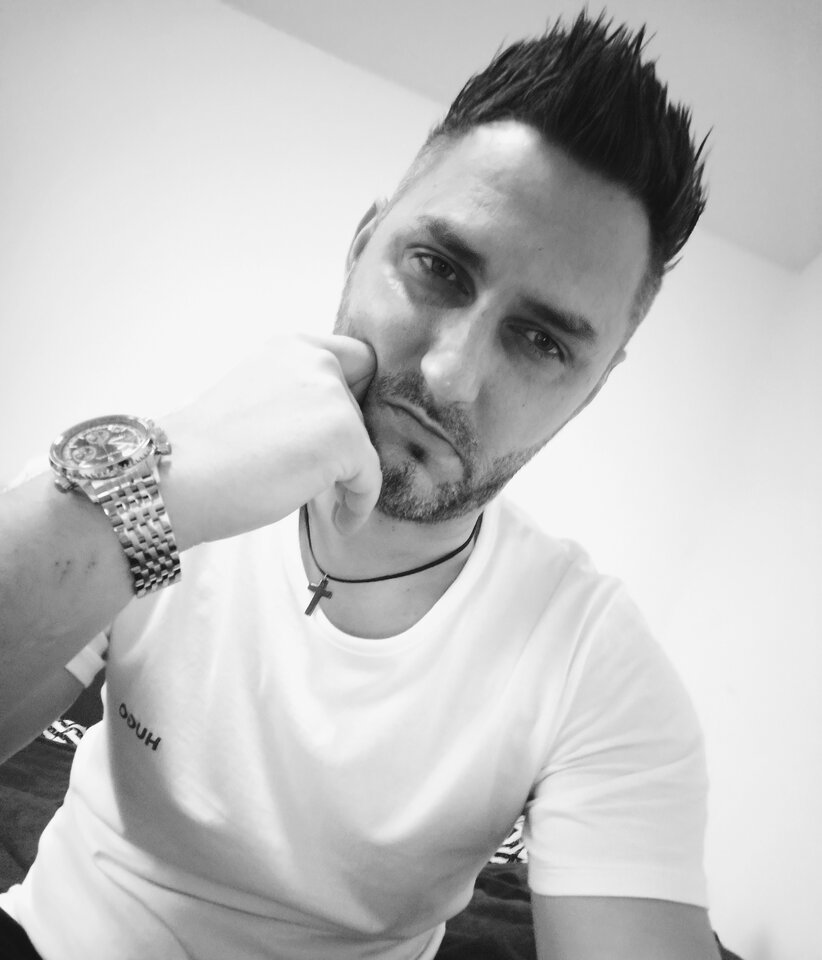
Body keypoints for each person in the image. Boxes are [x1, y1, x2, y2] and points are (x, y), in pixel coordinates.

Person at [0, 12, 719, 960]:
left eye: (542, 341)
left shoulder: (589, 658)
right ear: (363, 244)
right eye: (440, 269)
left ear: (592, 387)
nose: (451, 375)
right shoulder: (163, 470)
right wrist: (165, 489)